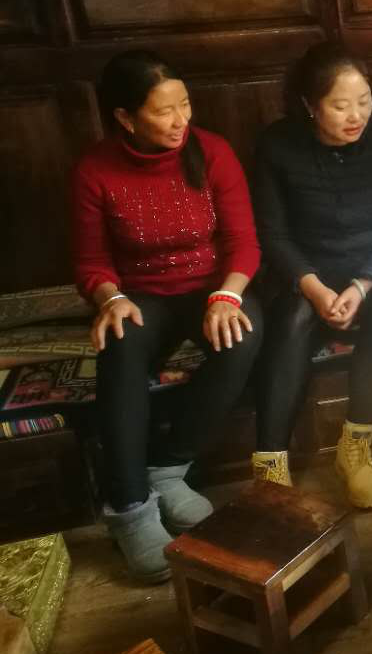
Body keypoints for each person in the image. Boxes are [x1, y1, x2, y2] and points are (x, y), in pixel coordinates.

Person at [72, 51, 262, 584]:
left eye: (185, 105)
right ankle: (130, 507)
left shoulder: (213, 152)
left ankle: (168, 466)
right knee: (118, 342)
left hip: (210, 288)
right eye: (164, 111)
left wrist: (226, 296)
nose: (181, 121)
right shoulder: (95, 170)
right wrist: (110, 297)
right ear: (125, 118)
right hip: (143, 296)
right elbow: (90, 262)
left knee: (244, 337)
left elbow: (244, 242)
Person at [252, 43, 372, 507]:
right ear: (310, 105)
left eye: (364, 101)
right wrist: (313, 287)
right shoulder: (276, 145)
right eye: (340, 105)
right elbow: (272, 233)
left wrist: (362, 285)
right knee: (290, 320)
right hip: (305, 273)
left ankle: (355, 448)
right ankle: (270, 465)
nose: (356, 116)